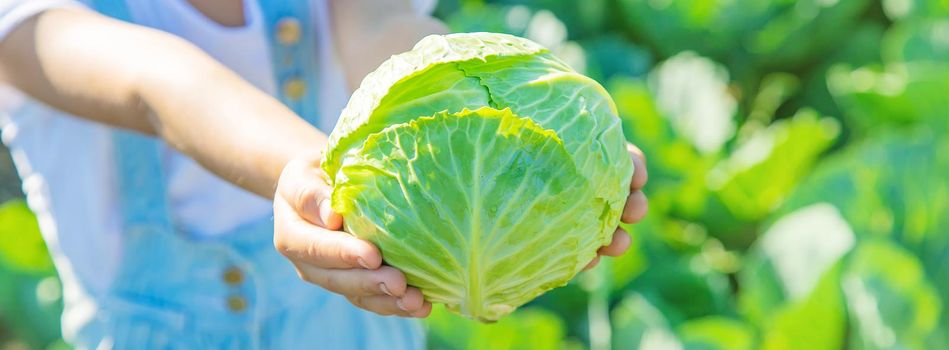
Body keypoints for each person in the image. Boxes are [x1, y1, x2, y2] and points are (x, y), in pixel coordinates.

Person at [0, 0, 649, 348]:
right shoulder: (32, 15)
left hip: (363, 324)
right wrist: (308, 177)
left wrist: (530, 157)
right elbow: (161, 85)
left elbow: (384, 28)